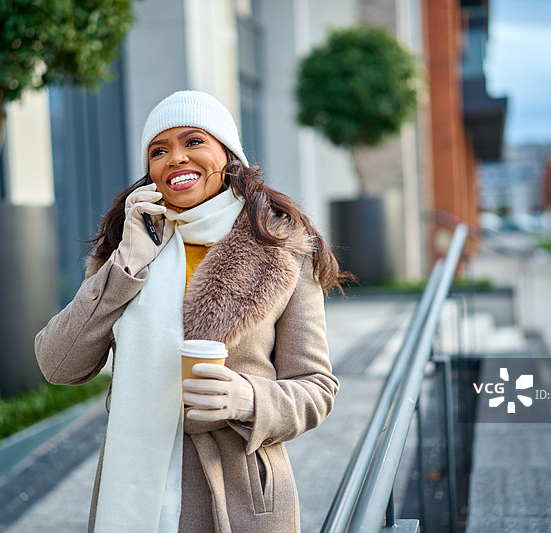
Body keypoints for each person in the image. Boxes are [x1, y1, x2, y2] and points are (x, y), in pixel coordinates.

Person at [34, 90, 346, 533]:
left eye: (193, 141)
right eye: (159, 151)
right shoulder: (129, 248)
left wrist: (248, 398)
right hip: (134, 487)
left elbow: (317, 388)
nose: (176, 158)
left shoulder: (280, 250)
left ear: (227, 154)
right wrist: (125, 265)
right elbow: (58, 364)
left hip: (239, 497)